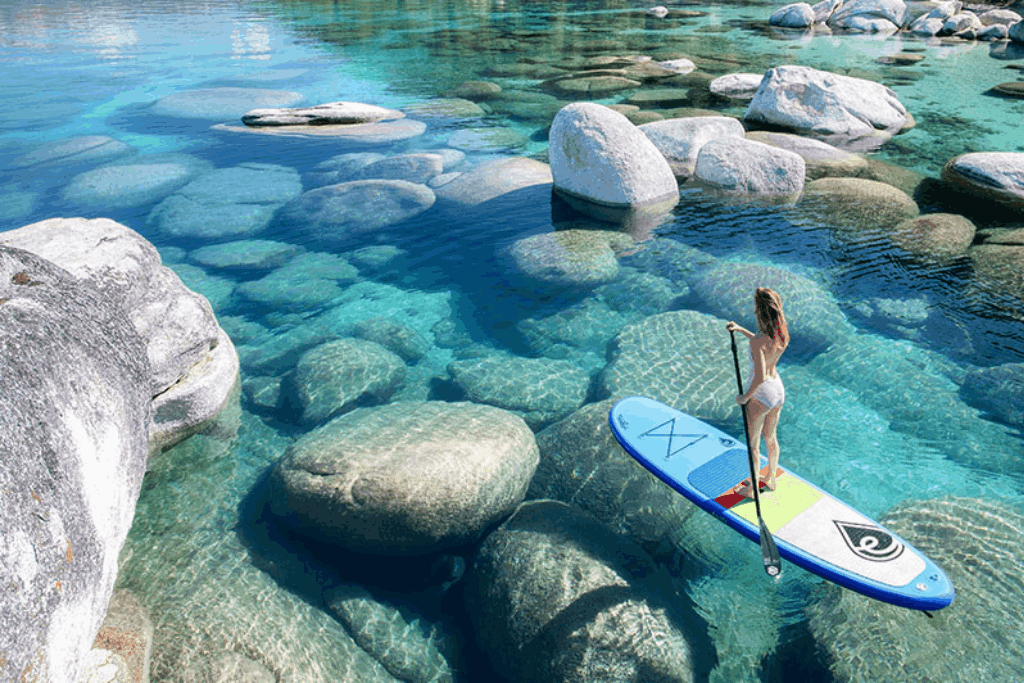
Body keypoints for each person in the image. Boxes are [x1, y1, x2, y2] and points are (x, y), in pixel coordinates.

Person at [725, 287, 789, 500]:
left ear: (760, 312)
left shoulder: (757, 342)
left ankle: (752, 490)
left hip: (762, 395)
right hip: (778, 390)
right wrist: (741, 330)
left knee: (753, 445)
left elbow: (759, 377)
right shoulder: (781, 335)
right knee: (770, 437)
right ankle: (771, 479)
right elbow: (765, 345)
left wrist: (745, 397)